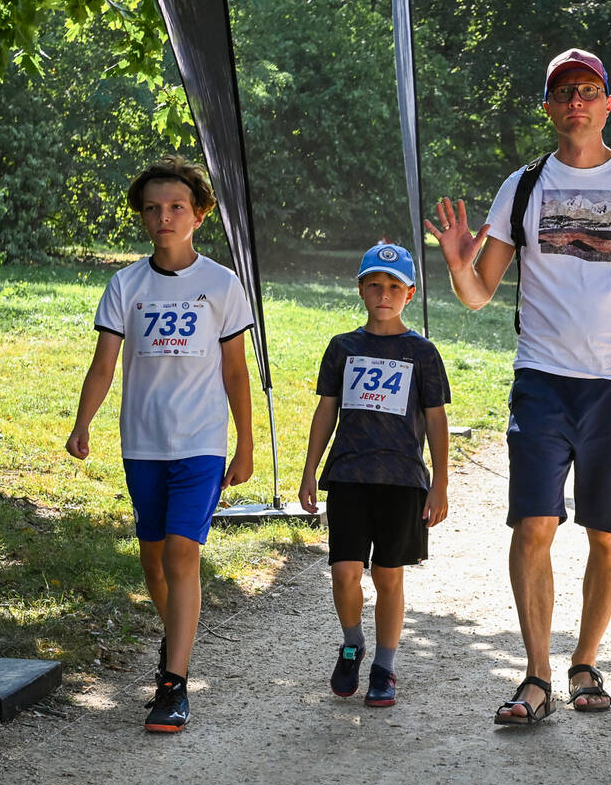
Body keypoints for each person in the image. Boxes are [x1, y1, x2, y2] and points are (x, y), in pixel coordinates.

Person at [424, 47, 611, 724]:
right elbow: (479, 293)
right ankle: (537, 675)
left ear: (607, 103)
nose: (577, 100)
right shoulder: (521, 187)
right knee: (533, 524)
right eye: (564, 91)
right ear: (547, 107)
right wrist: (458, 265)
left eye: (588, 89)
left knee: (608, 534)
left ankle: (585, 661)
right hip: (543, 380)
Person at [67, 155, 255, 733]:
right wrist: (82, 423)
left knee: (181, 552)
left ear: (199, 214)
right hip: (142, 442)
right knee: (152, 558)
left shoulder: (222, 284)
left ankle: (174, 683)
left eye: (176, 207)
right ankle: (176, 638)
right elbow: (104, 364)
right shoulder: (126, 284)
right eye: (152, 209)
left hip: (201, 441)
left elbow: (236, 372)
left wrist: (246, 445)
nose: (164, 217)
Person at [298, 243, 449, 708]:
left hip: (402, 480)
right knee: (345, 571)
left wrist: (440, 482)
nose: (384, 294)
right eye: (375, 285)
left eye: (394, 287)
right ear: (361, 289)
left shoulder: (421, 352)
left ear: (410, 293)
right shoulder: (343, 347)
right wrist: (309, 470)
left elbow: (436, 418)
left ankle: (385, 666)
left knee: (388, 575)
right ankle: (352, 644)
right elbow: (326, 410)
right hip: (349, 474)